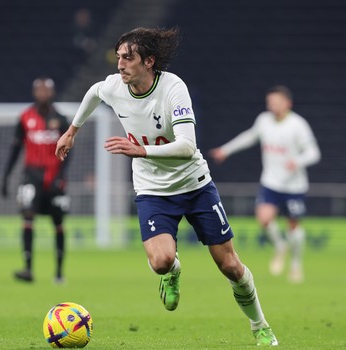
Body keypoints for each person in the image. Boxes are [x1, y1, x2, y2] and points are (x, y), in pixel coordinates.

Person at [55, 27, 278, 346]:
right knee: (160, 261)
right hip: (152, 190)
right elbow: (93, 92)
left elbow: (188, 146)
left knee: (229, 265)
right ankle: (173, 271)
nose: (120, 65)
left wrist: (141, 150)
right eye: (118, 57)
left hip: (195, 185)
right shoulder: (115, 87)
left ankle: (260, 324)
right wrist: (72, 131)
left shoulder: (173, 88)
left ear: (149, 61)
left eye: (128, 58)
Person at [209, 85, 321, 283]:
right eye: (270, 102)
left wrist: (298, 161)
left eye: (276, 102)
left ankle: (295, 264)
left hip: (294, 185)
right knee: (264, 218)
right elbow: (249, 137)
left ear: (288, 103)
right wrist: (225, 150)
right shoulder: (264, 120)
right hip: (271, 182)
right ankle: (280, 246)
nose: (272, 106)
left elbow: (314, 153)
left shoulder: (298, 125)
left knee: (293, 226)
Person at [1, 77, 71, 283]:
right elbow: (15, 149)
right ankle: (28, 269)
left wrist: (62, 174)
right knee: (27, 216)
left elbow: (69, 150)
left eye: (46, 90)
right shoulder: (25, 117)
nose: (42, 94)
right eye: (39, 90)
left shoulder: (61, 118)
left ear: (52, 93)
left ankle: (58, 272)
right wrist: (5, 177)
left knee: (58, 221)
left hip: (54, 177)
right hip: (31, 176)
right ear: (34, 93)